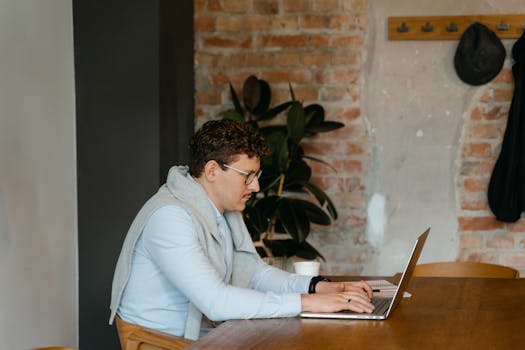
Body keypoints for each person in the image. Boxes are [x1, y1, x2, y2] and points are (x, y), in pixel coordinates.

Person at [109, 119, 374, 342]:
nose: (256, 187)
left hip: (209, 337)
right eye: (247, 175)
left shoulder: (222, 212)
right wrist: (307, 303)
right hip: (166, 345)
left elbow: (256, 274)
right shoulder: (171, 217)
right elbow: (215, 301)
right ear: (212, 170)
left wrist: (319, 288)